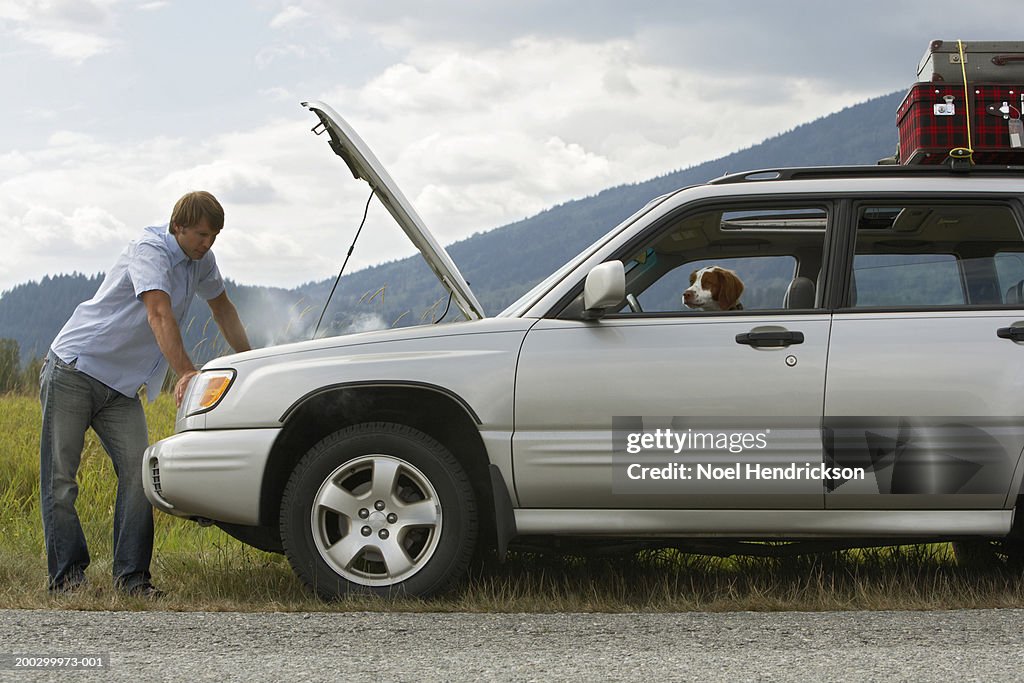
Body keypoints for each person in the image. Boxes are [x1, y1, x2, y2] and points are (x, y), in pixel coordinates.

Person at [38, 190, 251, 597]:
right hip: (75, 369)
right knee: (60, 481)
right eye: (202, 234)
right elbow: (158, 312)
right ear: (178, 227)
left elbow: (223, 308)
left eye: (215, 237)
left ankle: (132, 580)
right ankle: (67, 580)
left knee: (141, 476)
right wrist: (186, 371)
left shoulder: (201, 261)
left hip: (120, 389)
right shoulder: (149, 249)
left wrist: (253, 360)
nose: (208, 244)